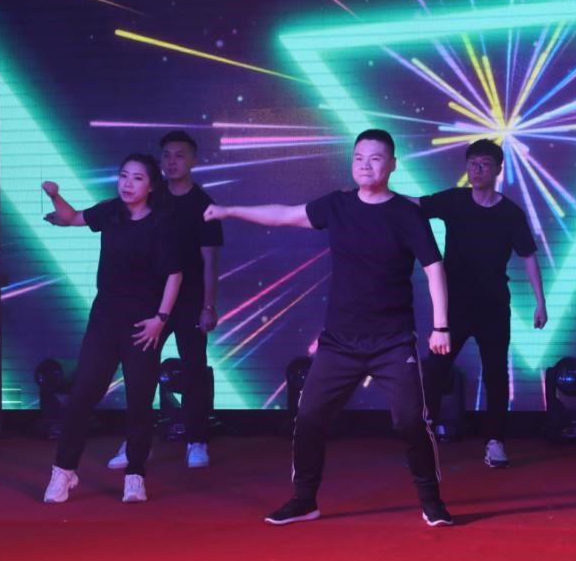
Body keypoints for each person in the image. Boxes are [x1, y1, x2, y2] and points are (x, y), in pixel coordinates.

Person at [203, 129, 455, 526]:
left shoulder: (407, 215)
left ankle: (432, 502)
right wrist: (229, 210)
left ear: (392, 164)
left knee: (411, 421)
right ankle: (305, 500)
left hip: (392, 341)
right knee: (308, 419)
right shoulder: (337, 205)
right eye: (359, 158)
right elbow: (283, 215)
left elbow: (434, 269)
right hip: (339, 341)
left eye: (375, 158)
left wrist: (440, 326)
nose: (365, 165)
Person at [41, 154, 182, 504]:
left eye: (137, 178)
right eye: (123, 176)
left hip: (143, 323)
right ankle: (64, 470)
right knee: (83, 393)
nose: (127, 184)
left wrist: (161, 319)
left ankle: (135, 474)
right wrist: (55, 195)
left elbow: (174, 274)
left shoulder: (162, 223)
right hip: (105, 318)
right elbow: (71, 218)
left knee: (140, 400)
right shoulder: (111, 212)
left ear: (151, 186)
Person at [417, 139, 546, 468]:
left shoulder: (510, 213)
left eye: (484, 164)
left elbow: (529, 257)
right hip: (455, 305)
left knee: (496, 375)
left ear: (498, 170)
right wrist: (375, 193)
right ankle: (423, 439)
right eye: (472, 163)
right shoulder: (455, 200)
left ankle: (495, 442)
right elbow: (416, 204)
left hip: (493, 306)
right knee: (435, 369)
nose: (476, 169)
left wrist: (540, 303)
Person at [106, 131, 223, 471]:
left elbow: (210, 260)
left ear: (194, 161)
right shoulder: (150, 198)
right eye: (167, 155)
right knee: (140, 371)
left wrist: (209, 305)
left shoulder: (204, 205)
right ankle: (135, 443)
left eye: (180, 155)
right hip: (150, 301)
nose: (172, 162)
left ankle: (197, 440)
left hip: (189, 302)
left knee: (194, 369)